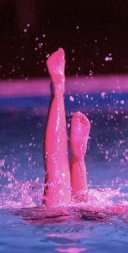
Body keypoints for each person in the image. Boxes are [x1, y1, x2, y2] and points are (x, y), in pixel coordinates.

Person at [43, 48, 91, 207]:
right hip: (91, 218)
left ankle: (58, 91)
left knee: (57, 183)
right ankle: (78, 159)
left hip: (65, 220)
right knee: (69, 198)